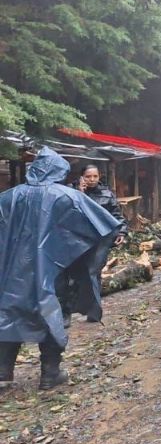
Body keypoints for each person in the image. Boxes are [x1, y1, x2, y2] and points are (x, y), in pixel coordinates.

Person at [0, 147, 121, 389]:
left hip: (12, 273)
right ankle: (49, 373)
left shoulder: (8, 197)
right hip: (54, 271)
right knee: (51, 315)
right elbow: (104, 226)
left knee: (9, 314)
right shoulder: (68, 197)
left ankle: (3, 372)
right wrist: (83, 263)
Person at [62, 165, 128, 326]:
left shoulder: (106, 194)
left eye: (95, 176)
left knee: (93, 272)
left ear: (99, 177)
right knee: (72, 275)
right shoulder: (69, 192)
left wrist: (122, 233)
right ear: (82, 177)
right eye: (88, 176)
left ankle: (94, 311)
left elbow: (117, 215)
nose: (92, 180)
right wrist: (80, 193)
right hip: (77, 239)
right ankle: (66, 313)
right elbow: (67, 212)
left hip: (100, 239)